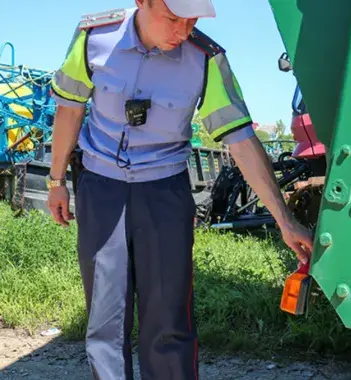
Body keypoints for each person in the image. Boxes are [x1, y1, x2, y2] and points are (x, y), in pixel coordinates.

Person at [45, 0, 314, 378]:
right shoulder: (94, 38)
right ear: (142, 3)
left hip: (164, 195)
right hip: (101, 189)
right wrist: (56, 182)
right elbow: (69, 109)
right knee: (105, 322)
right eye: (172, 18)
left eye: (191, 20)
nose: (182, 32)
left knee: (169, 320)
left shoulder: (205, 59)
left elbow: (240, 140)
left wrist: (284, 220)